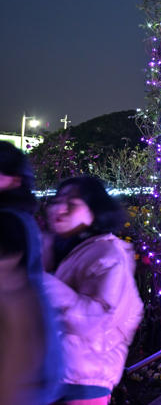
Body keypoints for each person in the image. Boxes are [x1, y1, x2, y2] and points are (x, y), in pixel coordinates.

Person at [44, 175, 143, 405]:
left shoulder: (107, 256)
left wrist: (39, 281)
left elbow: (93, 318)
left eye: (72, 202)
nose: (60, 208)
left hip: (81, 382)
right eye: (57, 200)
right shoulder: (55, 248)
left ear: (95, 211)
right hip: (47, 375)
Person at [0, 141, 63, 405]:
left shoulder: (7, 224)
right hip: (30, 367)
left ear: (14, 180)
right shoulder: (19, 219)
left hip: (16, 370)